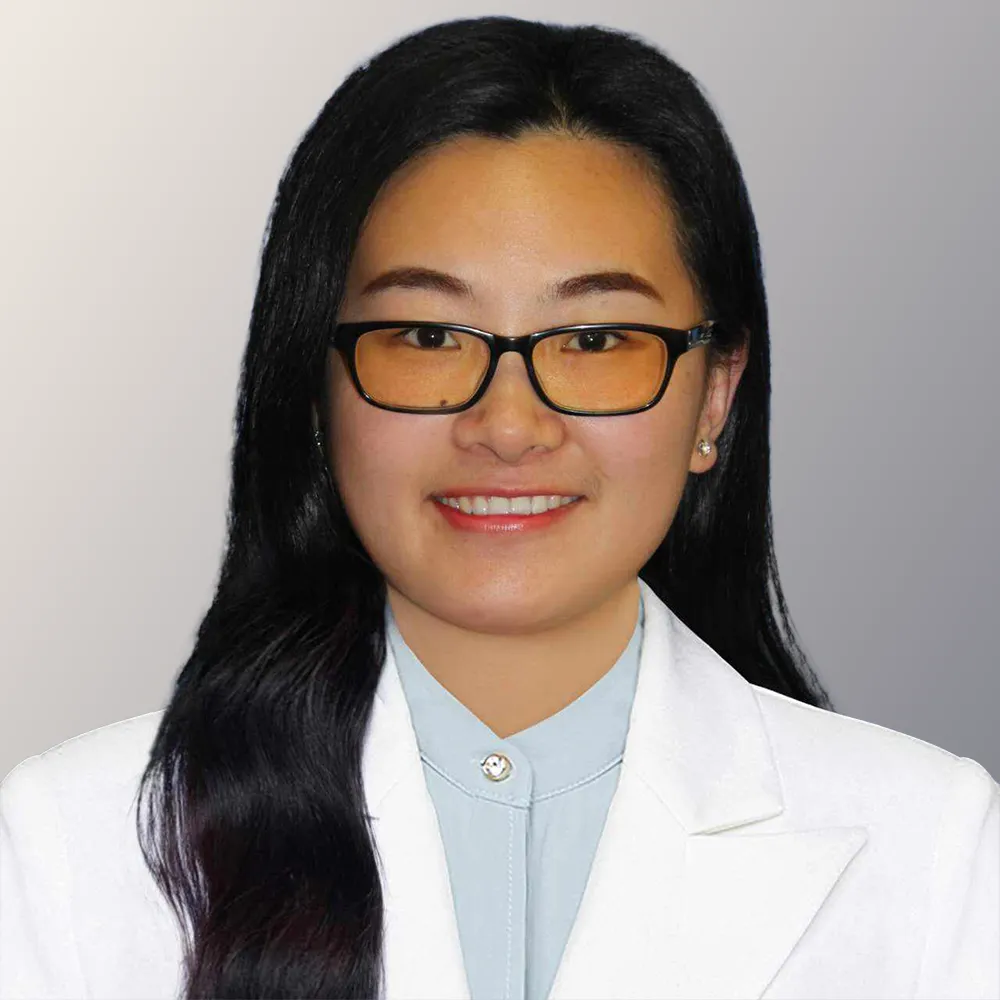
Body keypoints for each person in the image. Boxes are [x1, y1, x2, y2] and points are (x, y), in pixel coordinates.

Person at [1, 15, 997, 1000]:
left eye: (596, 341)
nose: (508, 424)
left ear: (715, 400)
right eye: (427, 337)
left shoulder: (938, 850)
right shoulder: (66, 847)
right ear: (317, 395)